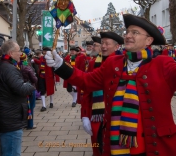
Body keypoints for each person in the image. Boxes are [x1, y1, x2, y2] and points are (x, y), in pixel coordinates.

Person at [45, 14, 176, 156]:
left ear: (149, 40)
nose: (128, 36)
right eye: (128, 32)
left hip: (154, 147)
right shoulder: (113, 63)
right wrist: (60, 65)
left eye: (135, 32)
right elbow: (87, 81)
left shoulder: (163, 63)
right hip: (115, 145)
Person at [0, 39, 34, 156]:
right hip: (10, 119)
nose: (21, 54)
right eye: (18, 51)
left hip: (6, 117)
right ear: (10, 53)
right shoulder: (9, 69)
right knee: (12, 152)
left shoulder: (3, 65)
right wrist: (30, 85)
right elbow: (21, 89)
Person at [81, 33, 123, 156]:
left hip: (117, 115)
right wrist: (84, 115)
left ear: (116, 47)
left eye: (107, 44)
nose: (103, 46)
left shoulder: (123, 62)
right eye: (102, 43)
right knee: (98, 148)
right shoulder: (94, 63)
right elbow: (87, 88)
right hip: (97, 115)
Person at [32, 47, 55, 111]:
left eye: (45, 51)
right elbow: (40, 62)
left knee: (50, 90)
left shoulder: (52, 58)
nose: (44, 52)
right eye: (43, 51)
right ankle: (44, 105)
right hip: (42, 76)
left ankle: (51, 102)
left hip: (49, 76)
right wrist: (35, 60)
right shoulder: (42, 57)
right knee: (42, 90)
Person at [19, 52, 38, 130]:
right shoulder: (27, 67)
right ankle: (30, 124)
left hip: (20, 88)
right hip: (29, 88)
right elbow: (34, 79)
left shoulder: (16, 66)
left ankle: (23, 123)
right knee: (30, 106)